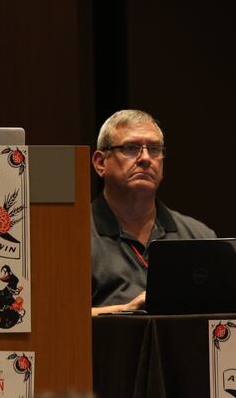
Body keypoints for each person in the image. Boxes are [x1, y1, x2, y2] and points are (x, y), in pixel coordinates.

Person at [90, 110, 216, 316]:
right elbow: (53, 316)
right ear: (100, 163)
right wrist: (124, 310)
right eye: (131, 148)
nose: (146, 158)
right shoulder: (72, 235)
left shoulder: (199, 236)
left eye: (154, 149)